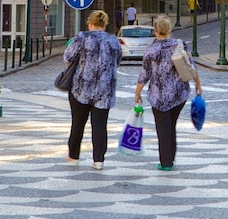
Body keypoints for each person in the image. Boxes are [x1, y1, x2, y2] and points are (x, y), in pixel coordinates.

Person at [134, 15, 202, 171]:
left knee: (163, 127)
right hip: (178, 94)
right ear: (169, 29)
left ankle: (166, 162)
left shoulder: (151, 49)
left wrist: (137, 93)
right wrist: (198, 84)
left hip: (158, 95)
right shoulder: (179, 45)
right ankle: (171, 157)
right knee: (171, 125)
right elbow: (191, 66)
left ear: (155, 31)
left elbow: (144, 74)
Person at [63, 10, 122, 170]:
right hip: (105, 89)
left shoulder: (82, 37)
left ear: (90, 23)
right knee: (100, 125)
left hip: (81, 88)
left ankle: (74, 155)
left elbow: (67, 58)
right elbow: (117, 61)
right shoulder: (113, 40)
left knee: (77, 123)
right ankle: (98, 160)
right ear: (105, 24)